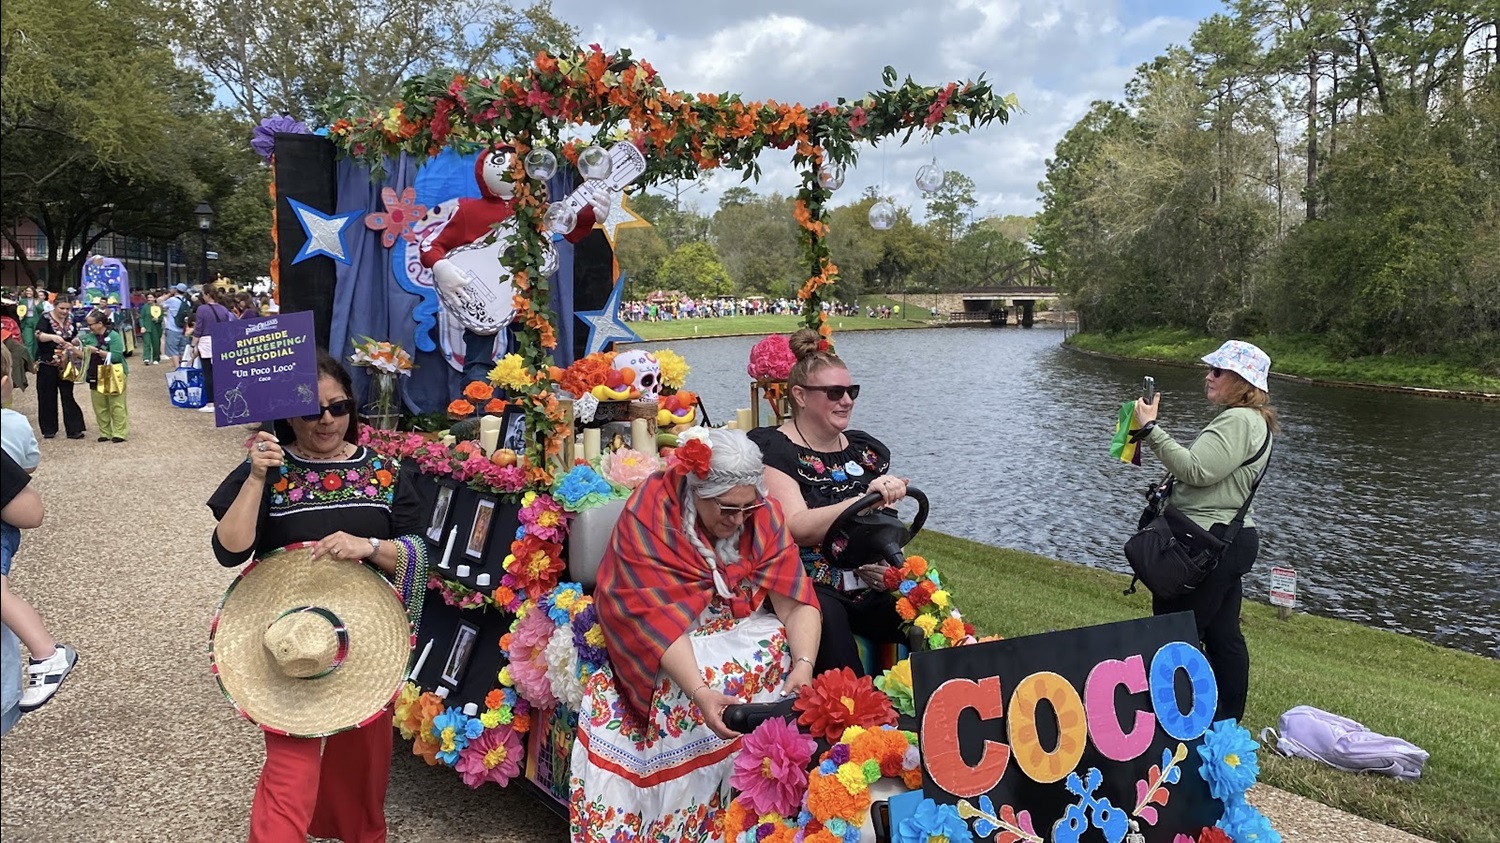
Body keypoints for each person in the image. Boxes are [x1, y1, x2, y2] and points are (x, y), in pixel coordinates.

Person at [207, 351, 428, 843]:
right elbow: (229, 549)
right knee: (291, 772)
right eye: (312, 410)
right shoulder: (267, 469)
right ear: (289, 413)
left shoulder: (387, 474)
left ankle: (355, 833)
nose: (327, 420)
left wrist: (368, 547)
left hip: (367, 643)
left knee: (363, 769)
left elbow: (417, 555)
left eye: (339, 407)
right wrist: (258, 477)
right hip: (290, 643)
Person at [570, 428, 821, 843]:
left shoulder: (762, 514)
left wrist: (805, 666)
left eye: (748, 507)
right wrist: (701, 692)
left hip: (735, 631)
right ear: (696, 490)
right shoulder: (651, 513)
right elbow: (650, 616)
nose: (738, 520)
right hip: (665, 637)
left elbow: (795, 598)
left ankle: (754, 821)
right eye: (727, 508)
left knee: (779, 647)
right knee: (663, 691)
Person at [748, 328, 908, 677]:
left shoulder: (864, 451)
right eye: (835, 392)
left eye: (852, 391)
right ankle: (855, 723)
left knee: (926, 614)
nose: (847, 401)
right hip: (809, 583)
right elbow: (796, 526)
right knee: (829, 625)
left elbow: (879, 524)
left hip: (868, 580)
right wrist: (863, 499)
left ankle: (941, 701)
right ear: (801, 396)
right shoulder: (776, 450)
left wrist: (888, 567)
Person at [1132, 339, 1278, 723]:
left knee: (1173, 634)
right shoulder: (1250, 420)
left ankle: (1172, 720)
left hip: (1205, 544)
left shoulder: (1238, 420)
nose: (1208, 376)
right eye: (1210, 368)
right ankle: (1225, 723)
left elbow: (1197, 470)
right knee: (1223, 636)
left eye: (1218, 371)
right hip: (1228, 540)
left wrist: (1151, 430)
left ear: (1242, 381)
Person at [0, 350, 79, 717]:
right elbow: (29, 463)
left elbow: (28, 507)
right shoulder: (14, 423)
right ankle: (46, 652)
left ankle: (47, 651)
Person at [32, 294, 86, 440]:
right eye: (61, 308)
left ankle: (74, 429)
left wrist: (74, 341)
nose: (64, 311)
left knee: (68, 394)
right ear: (55, 305)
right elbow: (38, 335)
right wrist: (51, 337)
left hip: (66, 362)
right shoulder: (45, 318)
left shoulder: (71, 319)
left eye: (67, 309)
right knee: (47, 396)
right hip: (47, 362)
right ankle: (49, 429)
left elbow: (74, 335)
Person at [79, 308, 129, 443]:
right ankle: (104, 432)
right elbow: (81, 352)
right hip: (95, 373)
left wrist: (97, 351)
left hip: (113, 373)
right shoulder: (88, 337)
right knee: (99, 405)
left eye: (91, 325)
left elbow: (117, 356)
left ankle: (119, 432)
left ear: (100, 323)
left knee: (117, 404)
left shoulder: (114, 336)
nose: (89, 328)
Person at [194, 287, 233, 414]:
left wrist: (193, 345)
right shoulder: (223, 309)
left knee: (208, 372)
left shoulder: (202, 309)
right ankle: (223, 400)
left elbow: (199, 328)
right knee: (220, 372)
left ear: (206, 295)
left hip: (206, 341)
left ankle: (211, 402)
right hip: (221, 341)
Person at [163, 284, 191, 368]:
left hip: (172, 328)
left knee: (173, 349)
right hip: (183, 329)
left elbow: (160, 303)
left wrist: (168, 294)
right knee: (182, 349)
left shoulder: (172, 300)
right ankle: (183, 365)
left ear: (176, 290)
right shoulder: (187, 302)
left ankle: (177, 367)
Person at [138, 291, 163, 365]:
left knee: (156, 344)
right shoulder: (145, 307)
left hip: (156, 328)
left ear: (154, 298)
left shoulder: (158, 307)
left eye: (151, 297)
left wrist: (158, 319)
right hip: (147, 328)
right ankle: (146, 358)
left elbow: (161, 317)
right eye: (148, 297)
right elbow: (141, 317)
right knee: (147, 343)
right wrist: (142, 326)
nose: (149, 299)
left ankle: (156, 358)